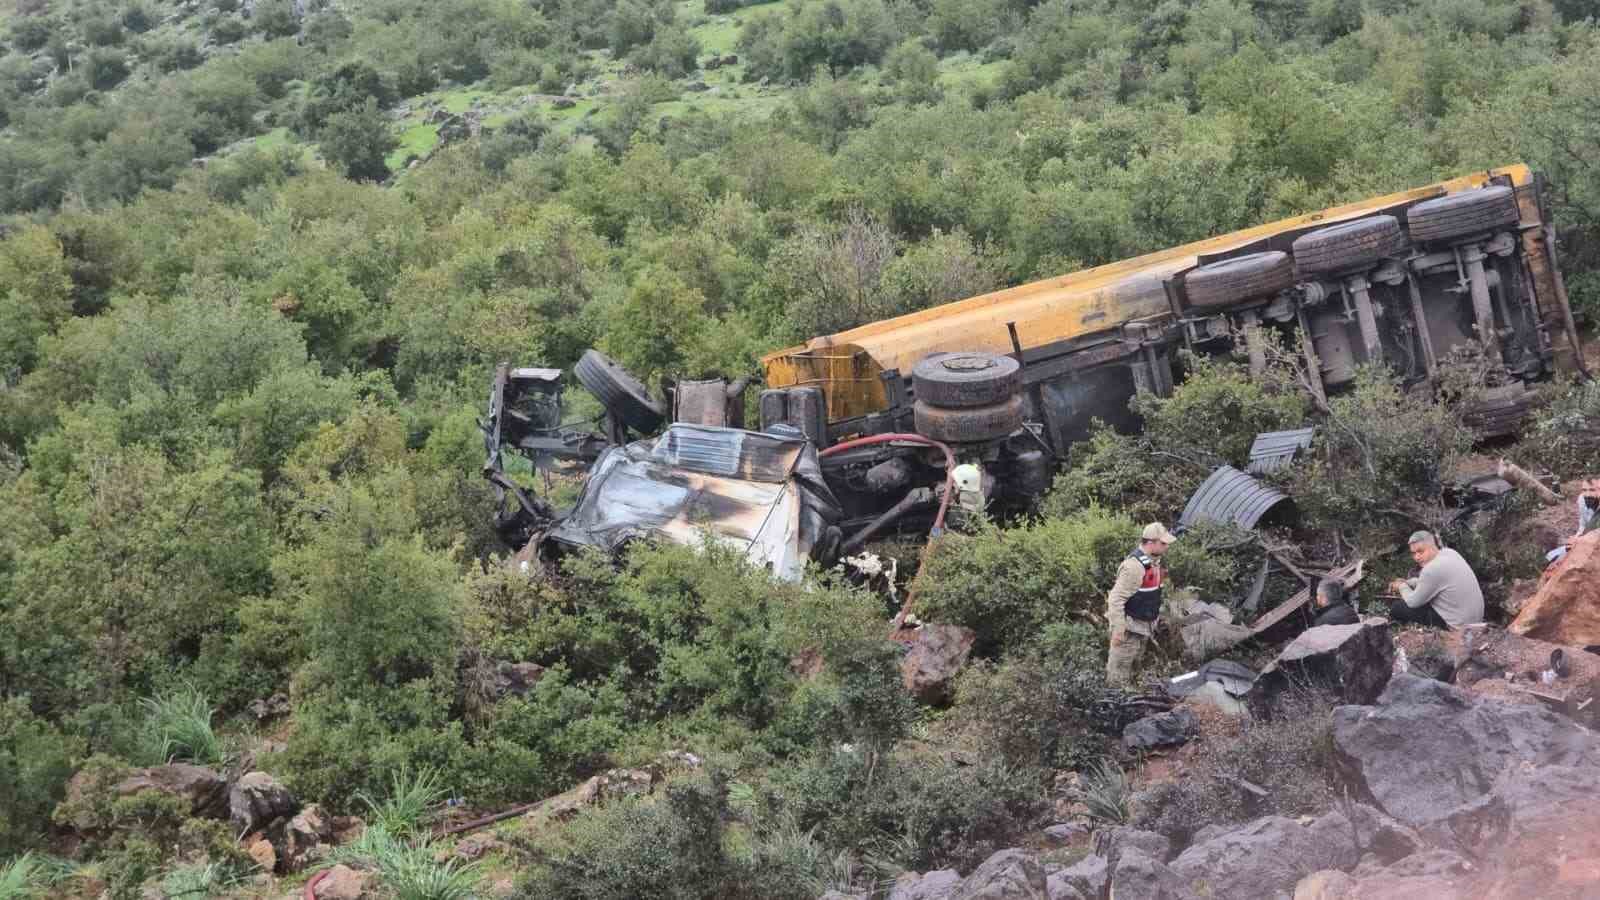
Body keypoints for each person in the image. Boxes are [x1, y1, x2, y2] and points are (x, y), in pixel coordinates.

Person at [1106, 522, 1177, 687]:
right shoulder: (1134, 567)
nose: (1167, 547)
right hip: (1128, 630)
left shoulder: (1153, 562)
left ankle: (1132, 694)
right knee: (1117, 677)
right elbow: (1115, 599)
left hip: (1143, 628)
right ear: (1151, 543)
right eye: (1163, 543)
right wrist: (1118, 630)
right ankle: (1114, 700)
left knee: (1134, 668)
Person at [1386, 531, 1484, 630]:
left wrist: (1401, 586)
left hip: (1458, 625)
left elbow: (1412, 602)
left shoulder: (1431, 568)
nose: (1417, 557)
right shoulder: (1450, 553)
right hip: (1475, 619)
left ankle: (1398, 630)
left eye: (1421, 551)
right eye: (1413, 553)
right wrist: (1408, 582)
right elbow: (1433, 583)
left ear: (1432, 547)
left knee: (1398, 608)